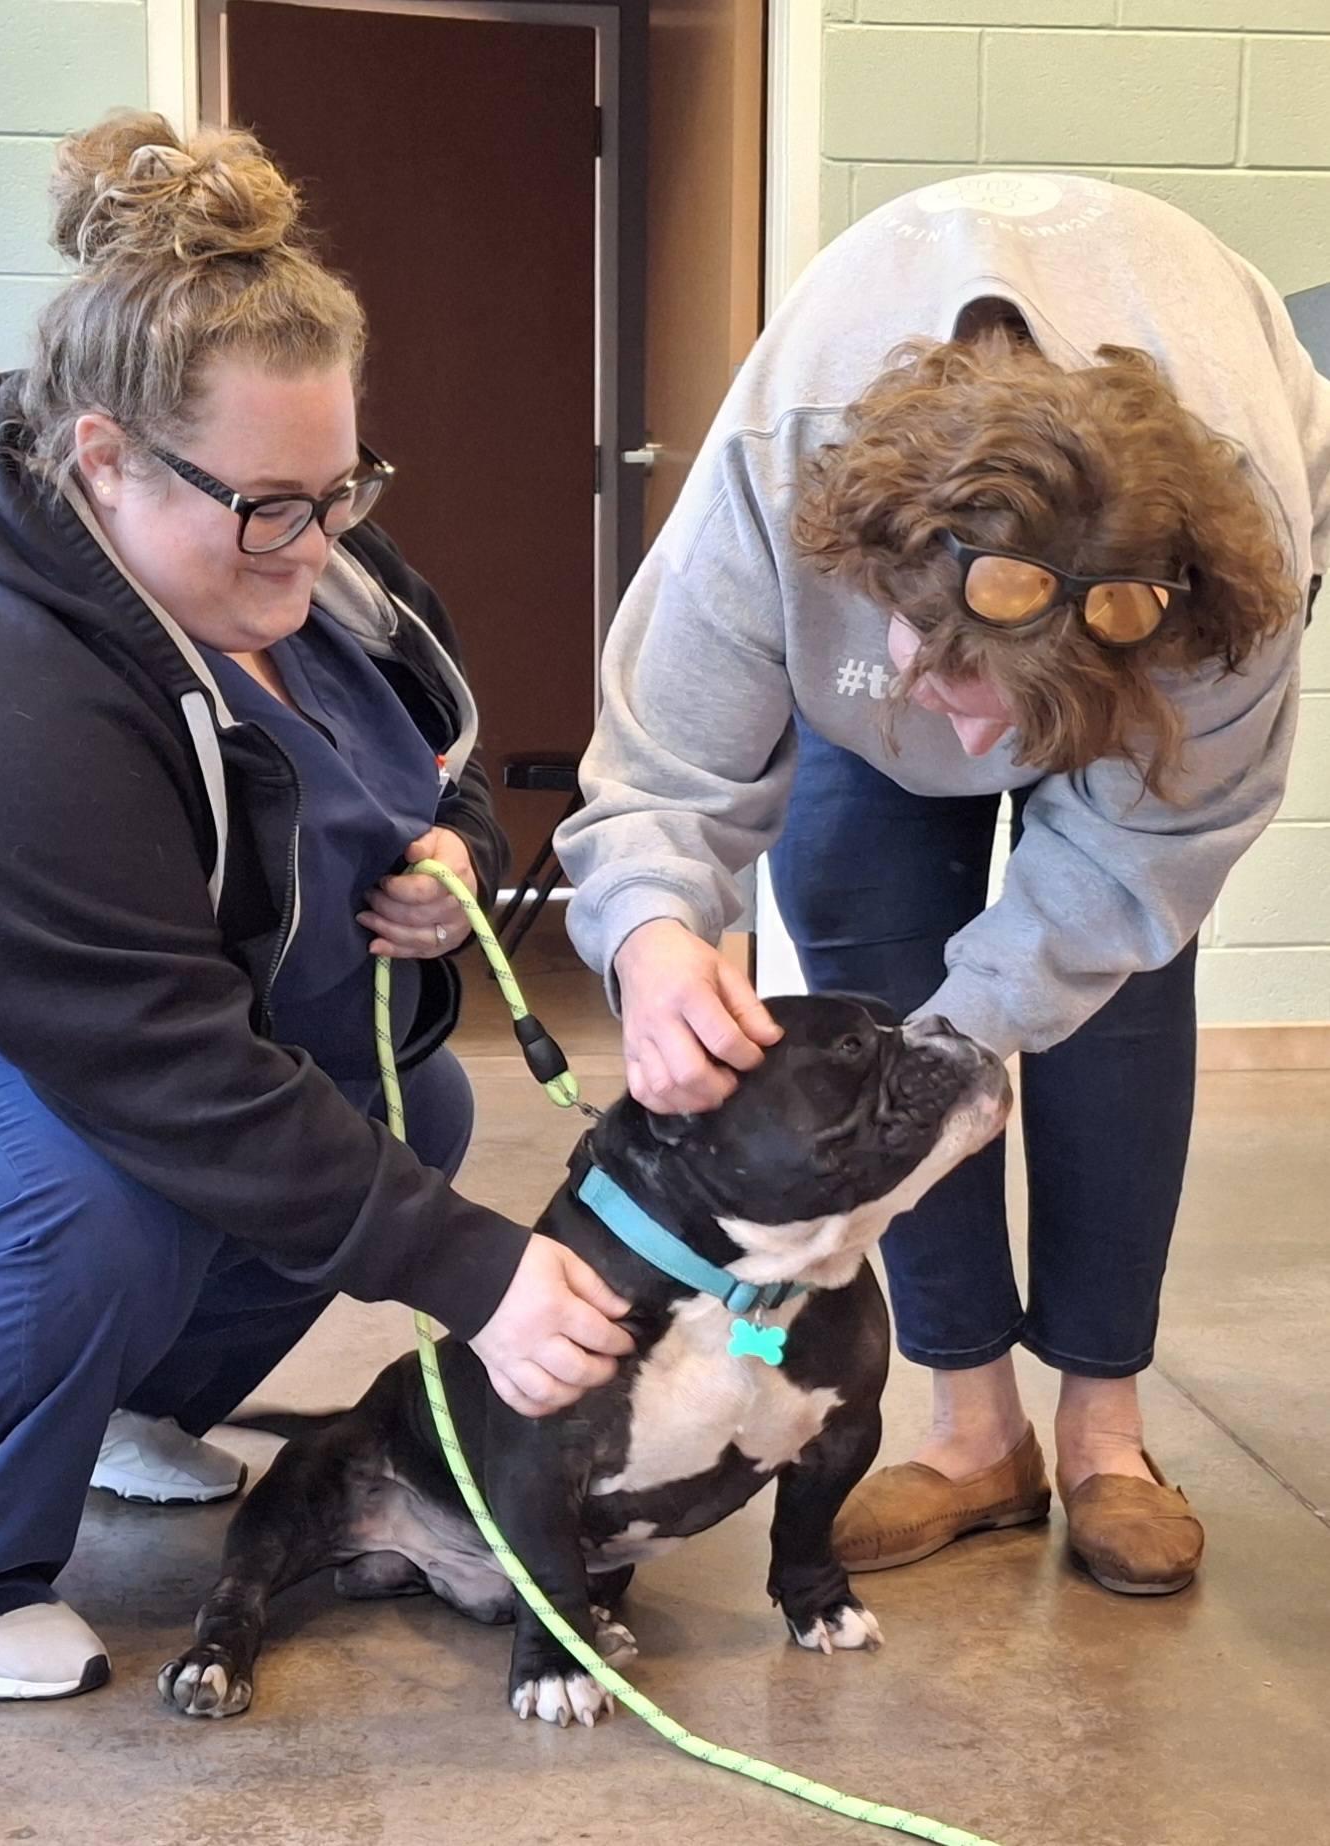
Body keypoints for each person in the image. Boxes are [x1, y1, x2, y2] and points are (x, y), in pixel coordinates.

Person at [0, 112, 631, 1702]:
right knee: (75, 1186)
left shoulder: (295, 544)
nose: (324, 536)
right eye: (275, 504)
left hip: (87, 1050)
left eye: (345, 485)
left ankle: (123, 1403)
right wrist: (477, 1274)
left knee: (402, 1097)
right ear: (104, 462)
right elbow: (163, 1072)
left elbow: (429, 742)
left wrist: (454, 854)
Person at [558, 173, 1328, 1597]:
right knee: (877, 982)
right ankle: (973, 1426)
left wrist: (980, 1030)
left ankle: (1107, 1431)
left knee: (1113, 985)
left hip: (1156, 602)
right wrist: (658, 933)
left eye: (1022, 720)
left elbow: (1151, 848)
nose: (978, 745)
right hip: (861, 614)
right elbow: (664, 768)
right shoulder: (785, 475)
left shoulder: (1234, 571)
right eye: (958, 687)